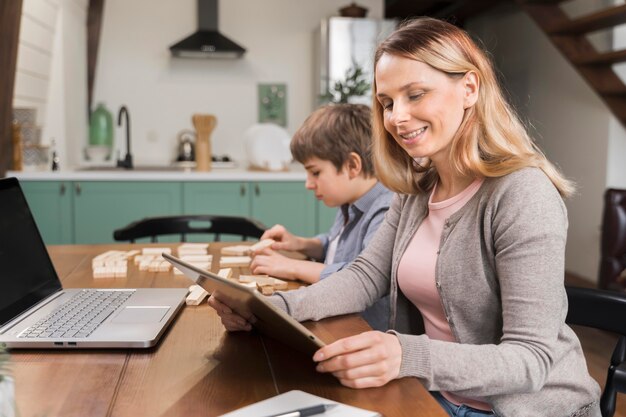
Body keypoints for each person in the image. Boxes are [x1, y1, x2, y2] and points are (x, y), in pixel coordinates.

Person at [209, 17, 601, 417]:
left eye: (415, 94)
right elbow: (364, 278)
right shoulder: (416, 190)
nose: (396, 117)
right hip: (437, 394)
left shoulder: (522, 194)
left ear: (469, 88)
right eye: (387, 103)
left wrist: (404, 354)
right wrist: (273, 308)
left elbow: (530, 360)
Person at [250, 103, 393, 330]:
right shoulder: (349, 201)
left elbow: (358, 277)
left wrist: (291, 266)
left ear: (352, 165)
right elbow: (336, 246)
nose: (308, 184)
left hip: (361, 332)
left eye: (315, 172)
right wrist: (301, 243)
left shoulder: (387, 209)